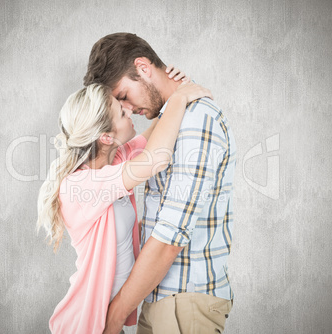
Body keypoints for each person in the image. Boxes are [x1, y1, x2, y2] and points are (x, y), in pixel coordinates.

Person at [36, 68, 212, 333]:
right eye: (122, 112)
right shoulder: (80, 185)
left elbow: (156, 132)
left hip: (109, 317)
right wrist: (178, 100)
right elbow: (156, 158)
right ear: (106, 137)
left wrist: (175, 87)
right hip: (85, 322)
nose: (130, 111)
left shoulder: (116, 159)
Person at [84, 32, 237, 334]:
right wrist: (179, 93)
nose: (125, 110)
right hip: (157, 298)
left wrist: (115, 315)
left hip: (185, 303)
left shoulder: (197, 120)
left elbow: (170, 237)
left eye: (124, 96)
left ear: (143, 67)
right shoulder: (173, 118)